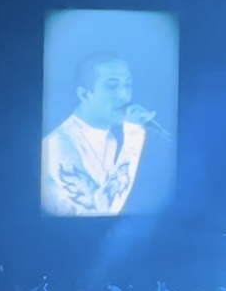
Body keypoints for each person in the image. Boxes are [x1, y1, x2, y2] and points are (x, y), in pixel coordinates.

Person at [41, 52, 159, 216]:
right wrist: (134, 136)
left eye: (128, 84)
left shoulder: (110, 140)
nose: (124, 95)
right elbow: (99, 211)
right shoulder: (58, 143)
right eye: (112, 86)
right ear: (84, 94)